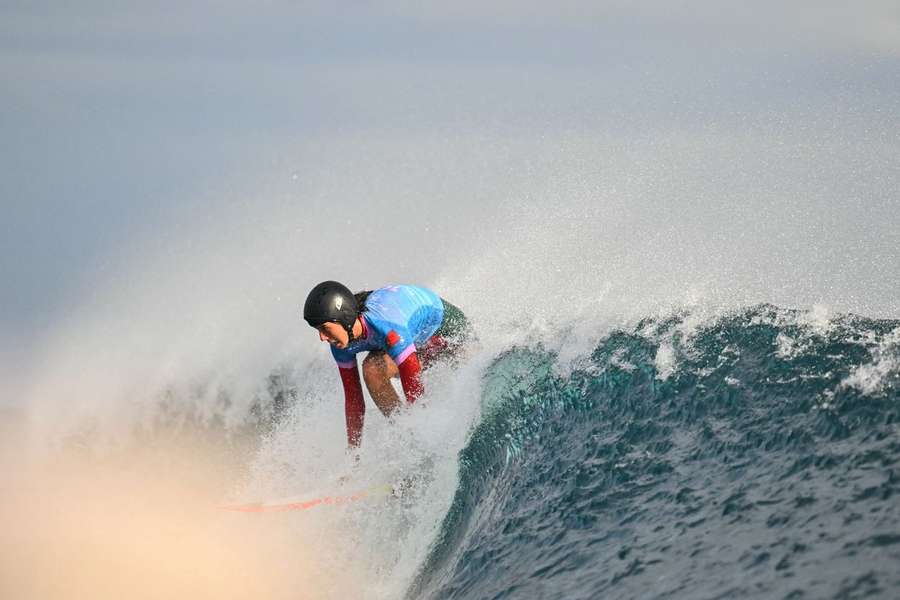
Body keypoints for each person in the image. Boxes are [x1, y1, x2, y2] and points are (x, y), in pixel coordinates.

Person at [303, 281, 470, 447]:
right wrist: (353, 455)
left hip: (448, 331)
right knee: (374, 371)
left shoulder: (386, 326)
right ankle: (407, 437)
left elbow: (415, 393)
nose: (322, 338)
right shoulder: (339, 345)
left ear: (344, 318)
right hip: (417, 341)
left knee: (468, 371)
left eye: (325, 328)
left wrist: (425, 432)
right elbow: (354, 402)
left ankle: (420, 440)